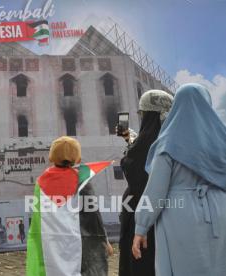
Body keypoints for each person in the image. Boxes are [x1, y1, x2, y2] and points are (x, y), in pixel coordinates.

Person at [132, 84, 226, 275]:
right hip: (220, 211)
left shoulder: (168, 142)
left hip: (181, 214)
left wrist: (141, 227)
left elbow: (155, 193)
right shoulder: (221, 140)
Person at [26, 136, 112, 276]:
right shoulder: (82, 181)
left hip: (50, 245)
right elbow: (93, 216)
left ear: (51, 157)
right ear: (77, 159)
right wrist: (104, 240)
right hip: (79, 246)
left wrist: (37, 244)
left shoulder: (40, 182)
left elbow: (37, 218)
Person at [118, 90, 174, 276]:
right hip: (164, 216)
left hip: (138, 217)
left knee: (138, 265)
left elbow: (135, 168)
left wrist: (131, 144)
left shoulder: (141, 148)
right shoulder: (169, 143)